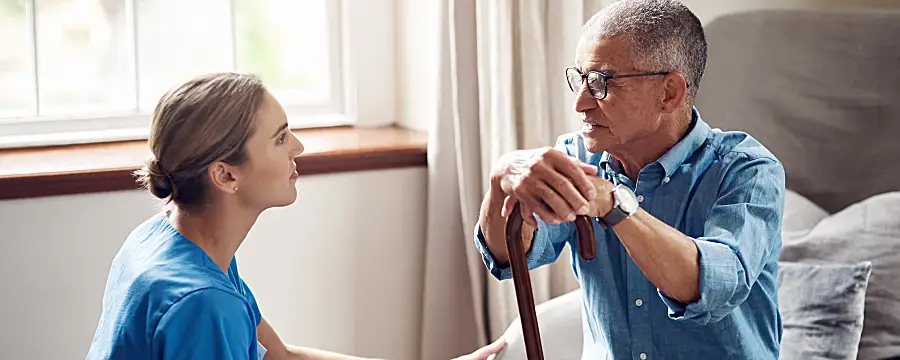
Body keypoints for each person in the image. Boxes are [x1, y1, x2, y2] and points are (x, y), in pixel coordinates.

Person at [86, 72, 505, 360]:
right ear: (226, 174)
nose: (298, 147)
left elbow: (280, 355)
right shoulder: (203, 303)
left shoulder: (168, 239)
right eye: (280, 137)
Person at [474, 0, 785, 359]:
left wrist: (614, 204)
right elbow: (510, 256)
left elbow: (711, 287)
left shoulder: (747, 171)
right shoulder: (577, 157)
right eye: (580, 78)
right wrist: (502, 179)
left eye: (602, 82)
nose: (580, 103)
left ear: (669, 93)